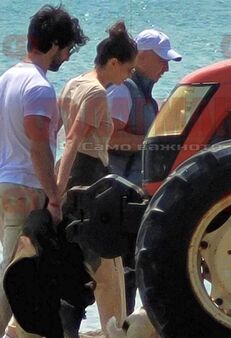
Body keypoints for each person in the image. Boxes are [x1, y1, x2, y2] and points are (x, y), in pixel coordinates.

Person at [0, 4, 87, 337]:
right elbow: (39, 147)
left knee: (19, 268)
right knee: (14, 271)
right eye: (65, 49)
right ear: (53, 45)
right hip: (25, 188)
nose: (65, 57)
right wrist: (53, 197)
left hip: (6, 182)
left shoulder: (6, 79)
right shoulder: (38, 87)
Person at [56, 21, 137, 337]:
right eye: (128, 70)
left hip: (71, 176)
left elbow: (59, 136)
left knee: (71, 262)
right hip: (90, 178)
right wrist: (57, 190)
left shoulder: (72, 84)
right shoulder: (97, 93)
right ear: (114, 63)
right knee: (110, 270)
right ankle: (114, 331)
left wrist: (55, 187)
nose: (128, 77)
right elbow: (74, 139)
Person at [107, 28, 182, 315]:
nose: (165, 67)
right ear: (141, 57)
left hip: (133, 197)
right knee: (124, 270)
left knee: (132, 269)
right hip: (118, 197)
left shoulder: (146, 97)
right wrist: (151, 145)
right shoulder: (123, 91)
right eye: (162, 60)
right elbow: (108, 138)